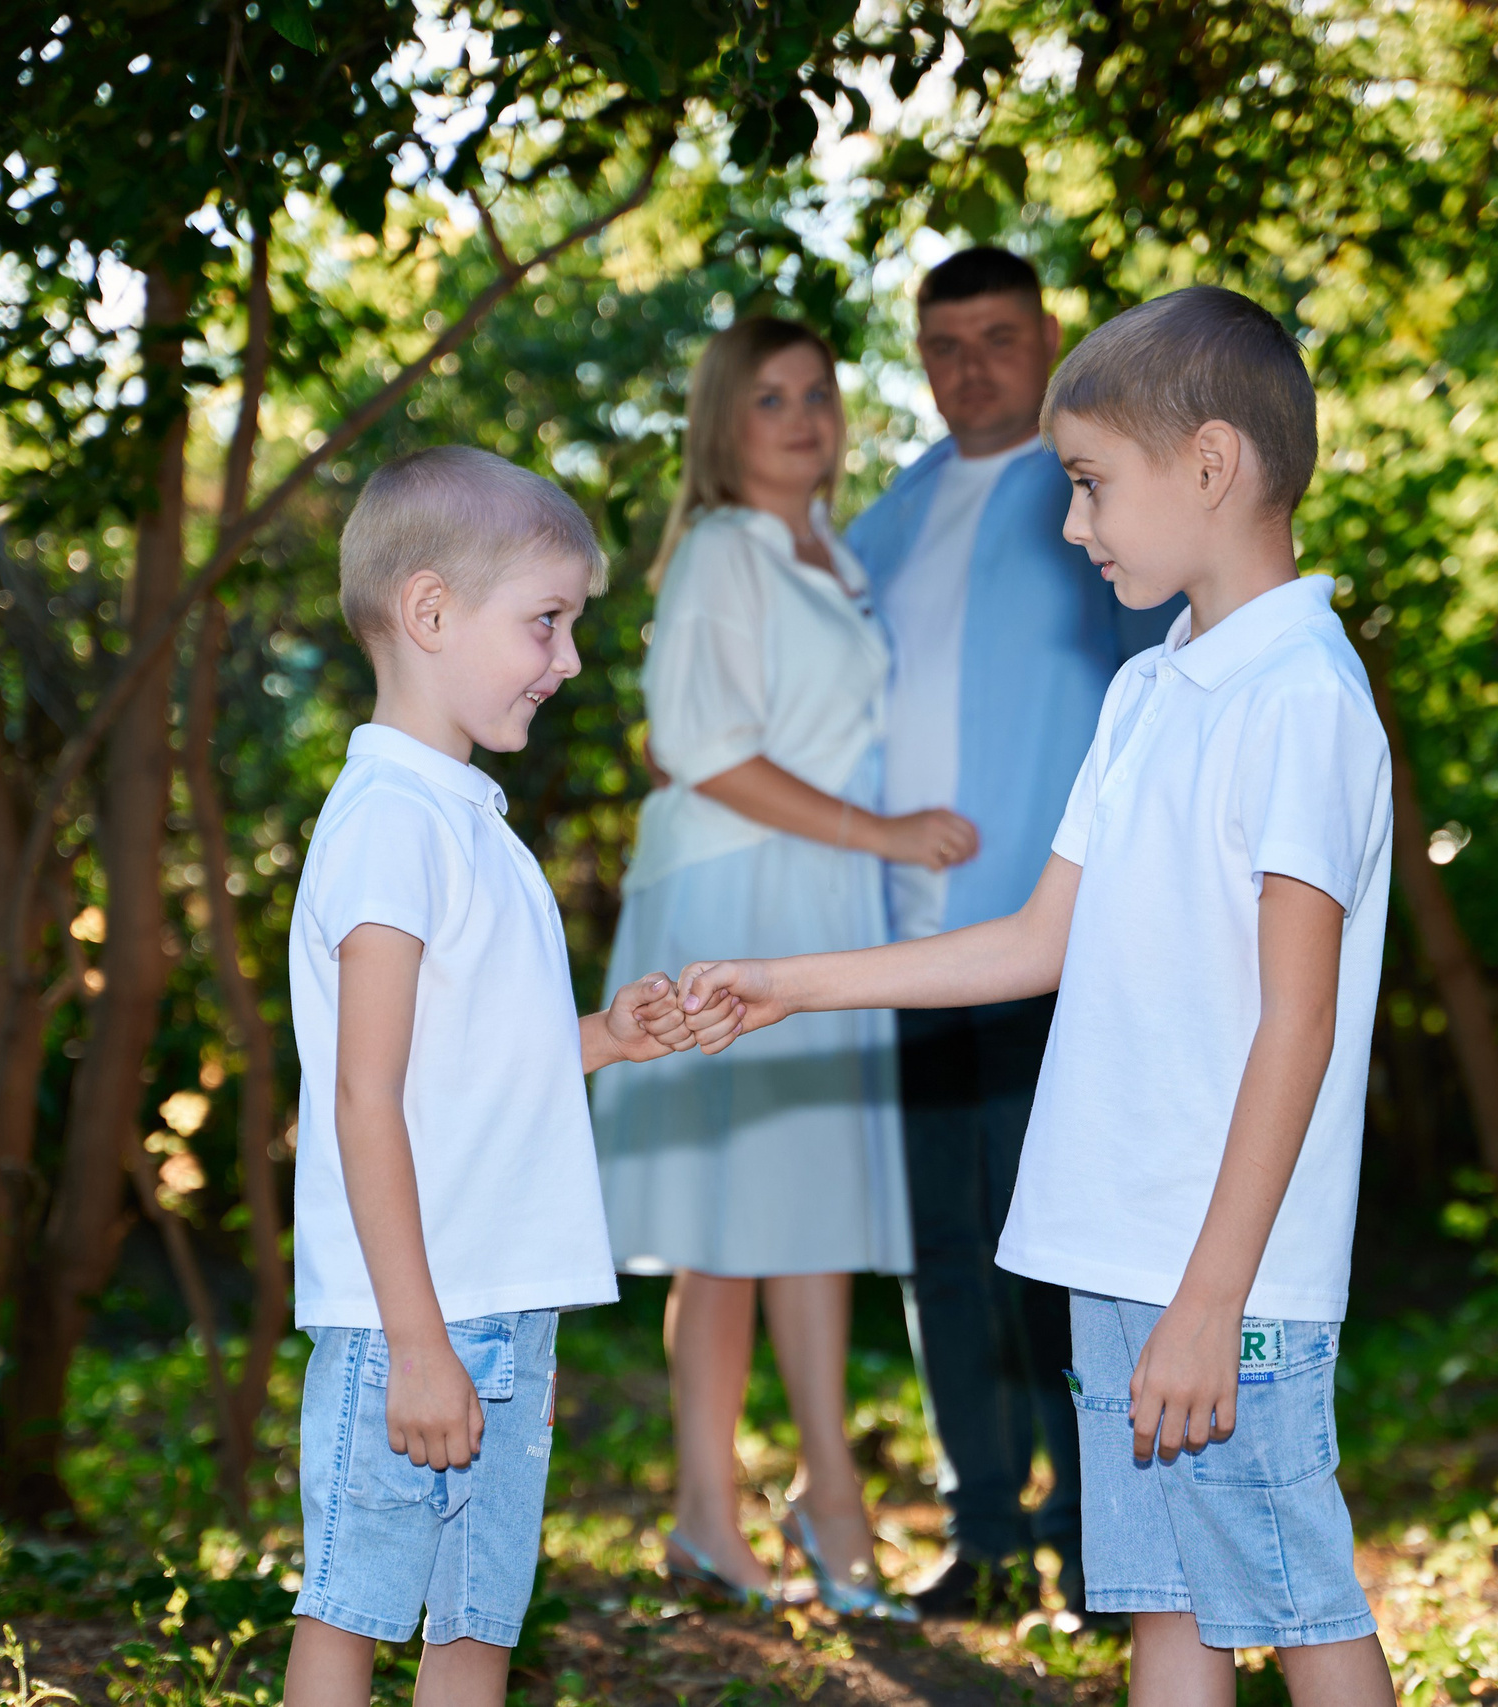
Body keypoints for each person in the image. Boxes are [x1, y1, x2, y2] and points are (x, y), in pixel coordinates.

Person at [671, 287, 1401, 1707]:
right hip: (1119, 1246)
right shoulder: (1147, 695)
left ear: (1208, 464)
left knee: (1300, 1605)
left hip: (1221, 1272)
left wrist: (1210, 1296)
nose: (1074, 526)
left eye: (1089, 485)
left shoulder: (1303, 696)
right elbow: (1031, 939)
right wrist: (787, 983)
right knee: (1168, 1611)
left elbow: (1294, 1021)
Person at [281, 446, 739, 1707]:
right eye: (546, 622)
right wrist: (418, 1345)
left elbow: (468, 1062)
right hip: (410, 1321)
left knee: (478, 1621)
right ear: (429, 613)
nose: (569, 659)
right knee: (353, 1607)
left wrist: (603, 1039)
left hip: (505, 1304)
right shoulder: (387, 824)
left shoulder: (467, 821)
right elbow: (363, 1098)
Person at [591, 317, 972, 1620]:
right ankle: (706, 1507)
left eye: (818, 392)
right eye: (770, 397)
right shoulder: (720, 551)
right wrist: (881, 832)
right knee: (727, 1219)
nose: (803, 416)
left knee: (812, 1203)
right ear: (722, 421)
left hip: (819, 892)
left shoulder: (840, 557)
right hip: (730, 885)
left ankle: (834, 1499)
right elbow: (703, 748)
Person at [844, 245, 1178, 1619]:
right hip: (910, 942)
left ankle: (1103, 1543)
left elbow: (1159, 678)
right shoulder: (881, 519)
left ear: (1047, 336)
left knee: (1065, 1246)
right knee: (944, 1249)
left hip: (1065, 933)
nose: (967, 364)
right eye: (942, 341)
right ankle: (981, 1531)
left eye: (995, 335)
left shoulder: (1094, 490)